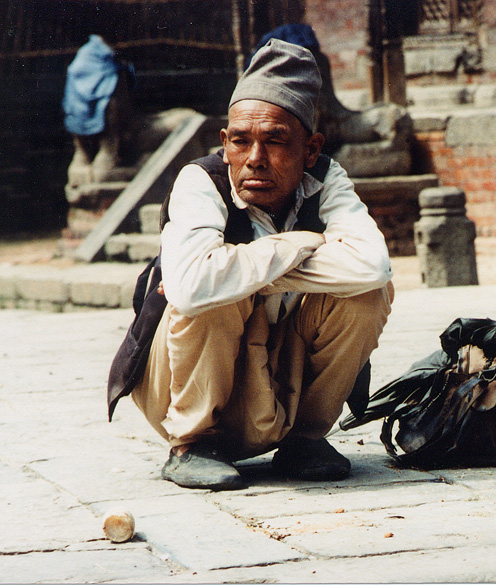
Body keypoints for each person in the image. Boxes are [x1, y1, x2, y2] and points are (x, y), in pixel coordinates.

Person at [127, 39, 393, 491]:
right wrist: (299, 244)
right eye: (240, 141)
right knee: (214, 293)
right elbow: (192, 287)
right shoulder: (200, 181)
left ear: (310, 150)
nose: (254, 159)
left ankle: (306, 440)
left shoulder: (325, 179)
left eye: (275, 141)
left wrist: (247, 270)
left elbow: (372, 267)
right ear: (224, 143)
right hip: (180, 388)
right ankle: (191, 444)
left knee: (367, 295)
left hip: (277, 381)